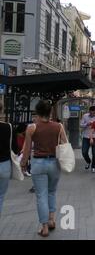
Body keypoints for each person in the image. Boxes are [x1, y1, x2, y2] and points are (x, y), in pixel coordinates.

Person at [20, 100, 68, 237]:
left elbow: (27, 149)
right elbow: (65, 143)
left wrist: (23, 164)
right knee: (52, 192)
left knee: (41, 196)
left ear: (38, 112)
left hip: (38, 164)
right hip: (54, 163)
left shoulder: (32, 128)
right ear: (50, 112)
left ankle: (44, 227)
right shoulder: (59, 126)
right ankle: (52, 220)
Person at [0, 101, 19, 217]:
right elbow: (15, 148)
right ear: (2, 110)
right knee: (1, 195)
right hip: (4, 165)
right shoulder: (9, 127)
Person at [80, 106, 95, 172]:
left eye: (94, 113)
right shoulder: (85, 116)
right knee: (84, 152)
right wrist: (87, 124)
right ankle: (88, 161)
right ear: (89, 111)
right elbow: (81, 125)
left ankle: (93, 166)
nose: (92, 114)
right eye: (91, 112)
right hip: (86, 136)